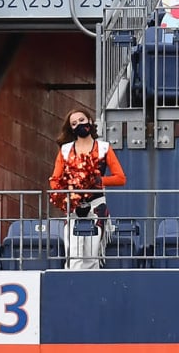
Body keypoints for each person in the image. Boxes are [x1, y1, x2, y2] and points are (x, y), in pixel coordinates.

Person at [49, 108, 126, 270]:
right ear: (70, 128)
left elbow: (120, 178)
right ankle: (72, 290)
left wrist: (96, 180)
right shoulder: (65, 150)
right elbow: (54, 181)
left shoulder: (104, 148)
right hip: (73, 207)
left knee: (92, 254)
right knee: (74, 255)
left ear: (90, 121)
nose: (79, 125)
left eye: (82, 120)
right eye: (74, 123)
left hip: (96, 205)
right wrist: (68, 191)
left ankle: (92, 290)